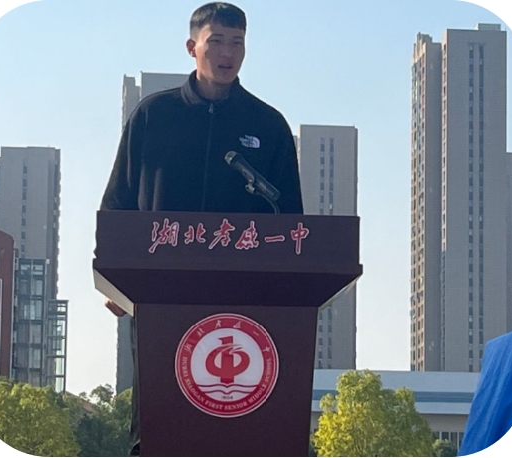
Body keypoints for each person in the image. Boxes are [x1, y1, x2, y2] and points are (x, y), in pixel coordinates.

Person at [99, 2, 303, 455]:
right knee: (159, 428)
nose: (227, 53)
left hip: (249, 303)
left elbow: (292, 224)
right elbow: (118, 204)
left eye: (237, 42)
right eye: (217, 42)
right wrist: (114, 279)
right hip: (160, 299)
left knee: (239, 426)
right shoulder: (153, 116)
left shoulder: (268, 126)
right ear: (192, 47)